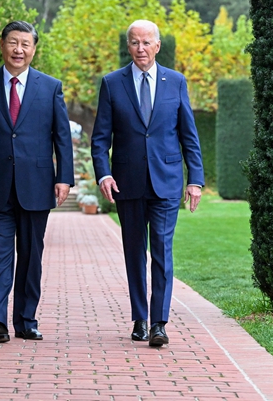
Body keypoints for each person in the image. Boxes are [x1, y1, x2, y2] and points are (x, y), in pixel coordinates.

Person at [91, 19, 204, 347]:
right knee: (134, 253)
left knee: (162, 252)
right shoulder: (112, 83)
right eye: (134, 42)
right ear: (128, 46)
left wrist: (195, 179)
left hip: (166, 182)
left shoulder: (176, 82)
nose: (140, 48)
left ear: (157, 46)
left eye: (146, 42)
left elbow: (188, 136)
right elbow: (100, 138)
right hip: (127, 183)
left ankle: (159, 323)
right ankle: (140, 319)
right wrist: (104, 173)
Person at [0, 21, 74, 343]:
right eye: (13, 42)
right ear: (2, 45)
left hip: (36, 185)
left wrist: (64, 178)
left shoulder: (50, 87)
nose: (18, 50)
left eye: (25, 44)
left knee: (30, 256)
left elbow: (62, 137)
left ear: (34, 49)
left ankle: (26, 321)